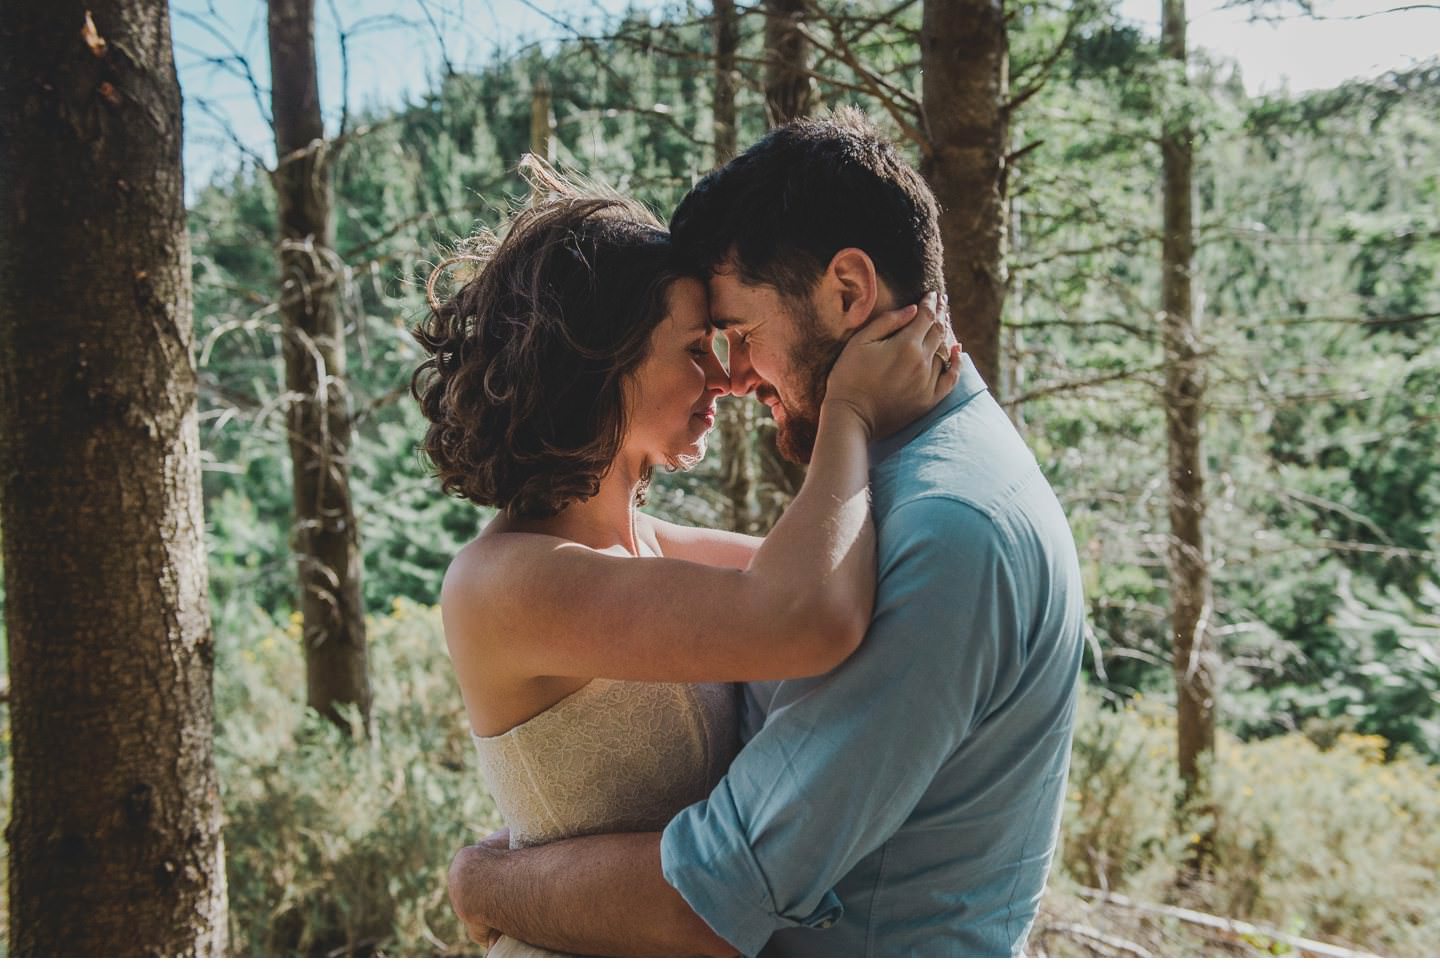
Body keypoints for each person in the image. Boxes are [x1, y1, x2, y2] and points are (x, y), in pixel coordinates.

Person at [445, 110, 1088, 957]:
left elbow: (800, 600)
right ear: (603, 366)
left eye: (737, 336)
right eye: (701, 348)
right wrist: (852, 417)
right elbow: (795, 603)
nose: (729, 377)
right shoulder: (513, 578)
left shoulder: (940, 527)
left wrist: (489, 880)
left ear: (849, 293)